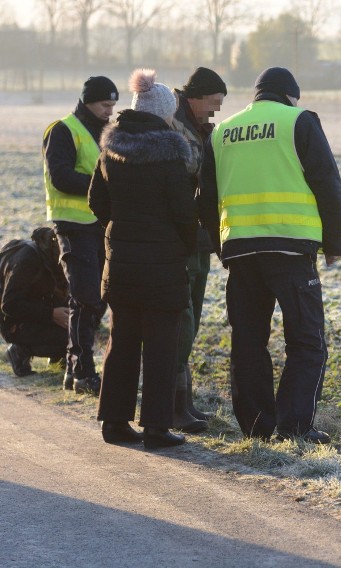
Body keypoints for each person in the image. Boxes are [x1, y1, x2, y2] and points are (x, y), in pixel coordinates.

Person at [198, 67, 341, 443]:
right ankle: (295, 426)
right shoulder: (299, 121)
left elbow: (206, 199)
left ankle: (256, 428)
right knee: (306, 340)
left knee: (247, 342)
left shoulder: (222, 131)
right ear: (291, 96)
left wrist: (222, 246)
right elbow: (328, 184)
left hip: (241, 252)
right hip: (291, 250)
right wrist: (333, 244)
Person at [88, 69, 197, 449]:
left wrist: (121, 232)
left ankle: (113, 424)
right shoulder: (170, 156)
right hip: (163, 266)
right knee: (161, 346)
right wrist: (185, 245)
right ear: (163, 113)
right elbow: (185, 214)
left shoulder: (110, 151)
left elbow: (95, 202)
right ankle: (155, 427)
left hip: (119, 264)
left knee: (122, 343)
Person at [43, 76, 118, 394]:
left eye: (113, 105)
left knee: (96, 299)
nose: (109, 111)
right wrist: (99, 187)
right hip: (72, 225)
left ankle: (75, 368)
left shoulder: (106, 132)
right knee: (85, 297)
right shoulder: (62, 130)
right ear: (88, 101)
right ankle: (82, 370)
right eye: (105, 104)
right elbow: (60, 176)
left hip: (98, 226)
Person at [170, 67, 227, 432]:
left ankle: (184, 402)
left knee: (191, 323)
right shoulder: (174, 129)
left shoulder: (198, 128)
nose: (217, 111)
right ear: (195, 98)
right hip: (180, 242)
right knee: (181, 325)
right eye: (214, 103)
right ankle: (174, 406)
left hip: (198, 241)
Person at [1, 227, 69, 377]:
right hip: (12, 323)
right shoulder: (28, 260)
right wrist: (51, 314)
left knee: (79, 331)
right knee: (69, 339)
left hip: (37, 312)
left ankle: (57, 356)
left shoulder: (52, 258)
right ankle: (20, 350)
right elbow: (9, 305)